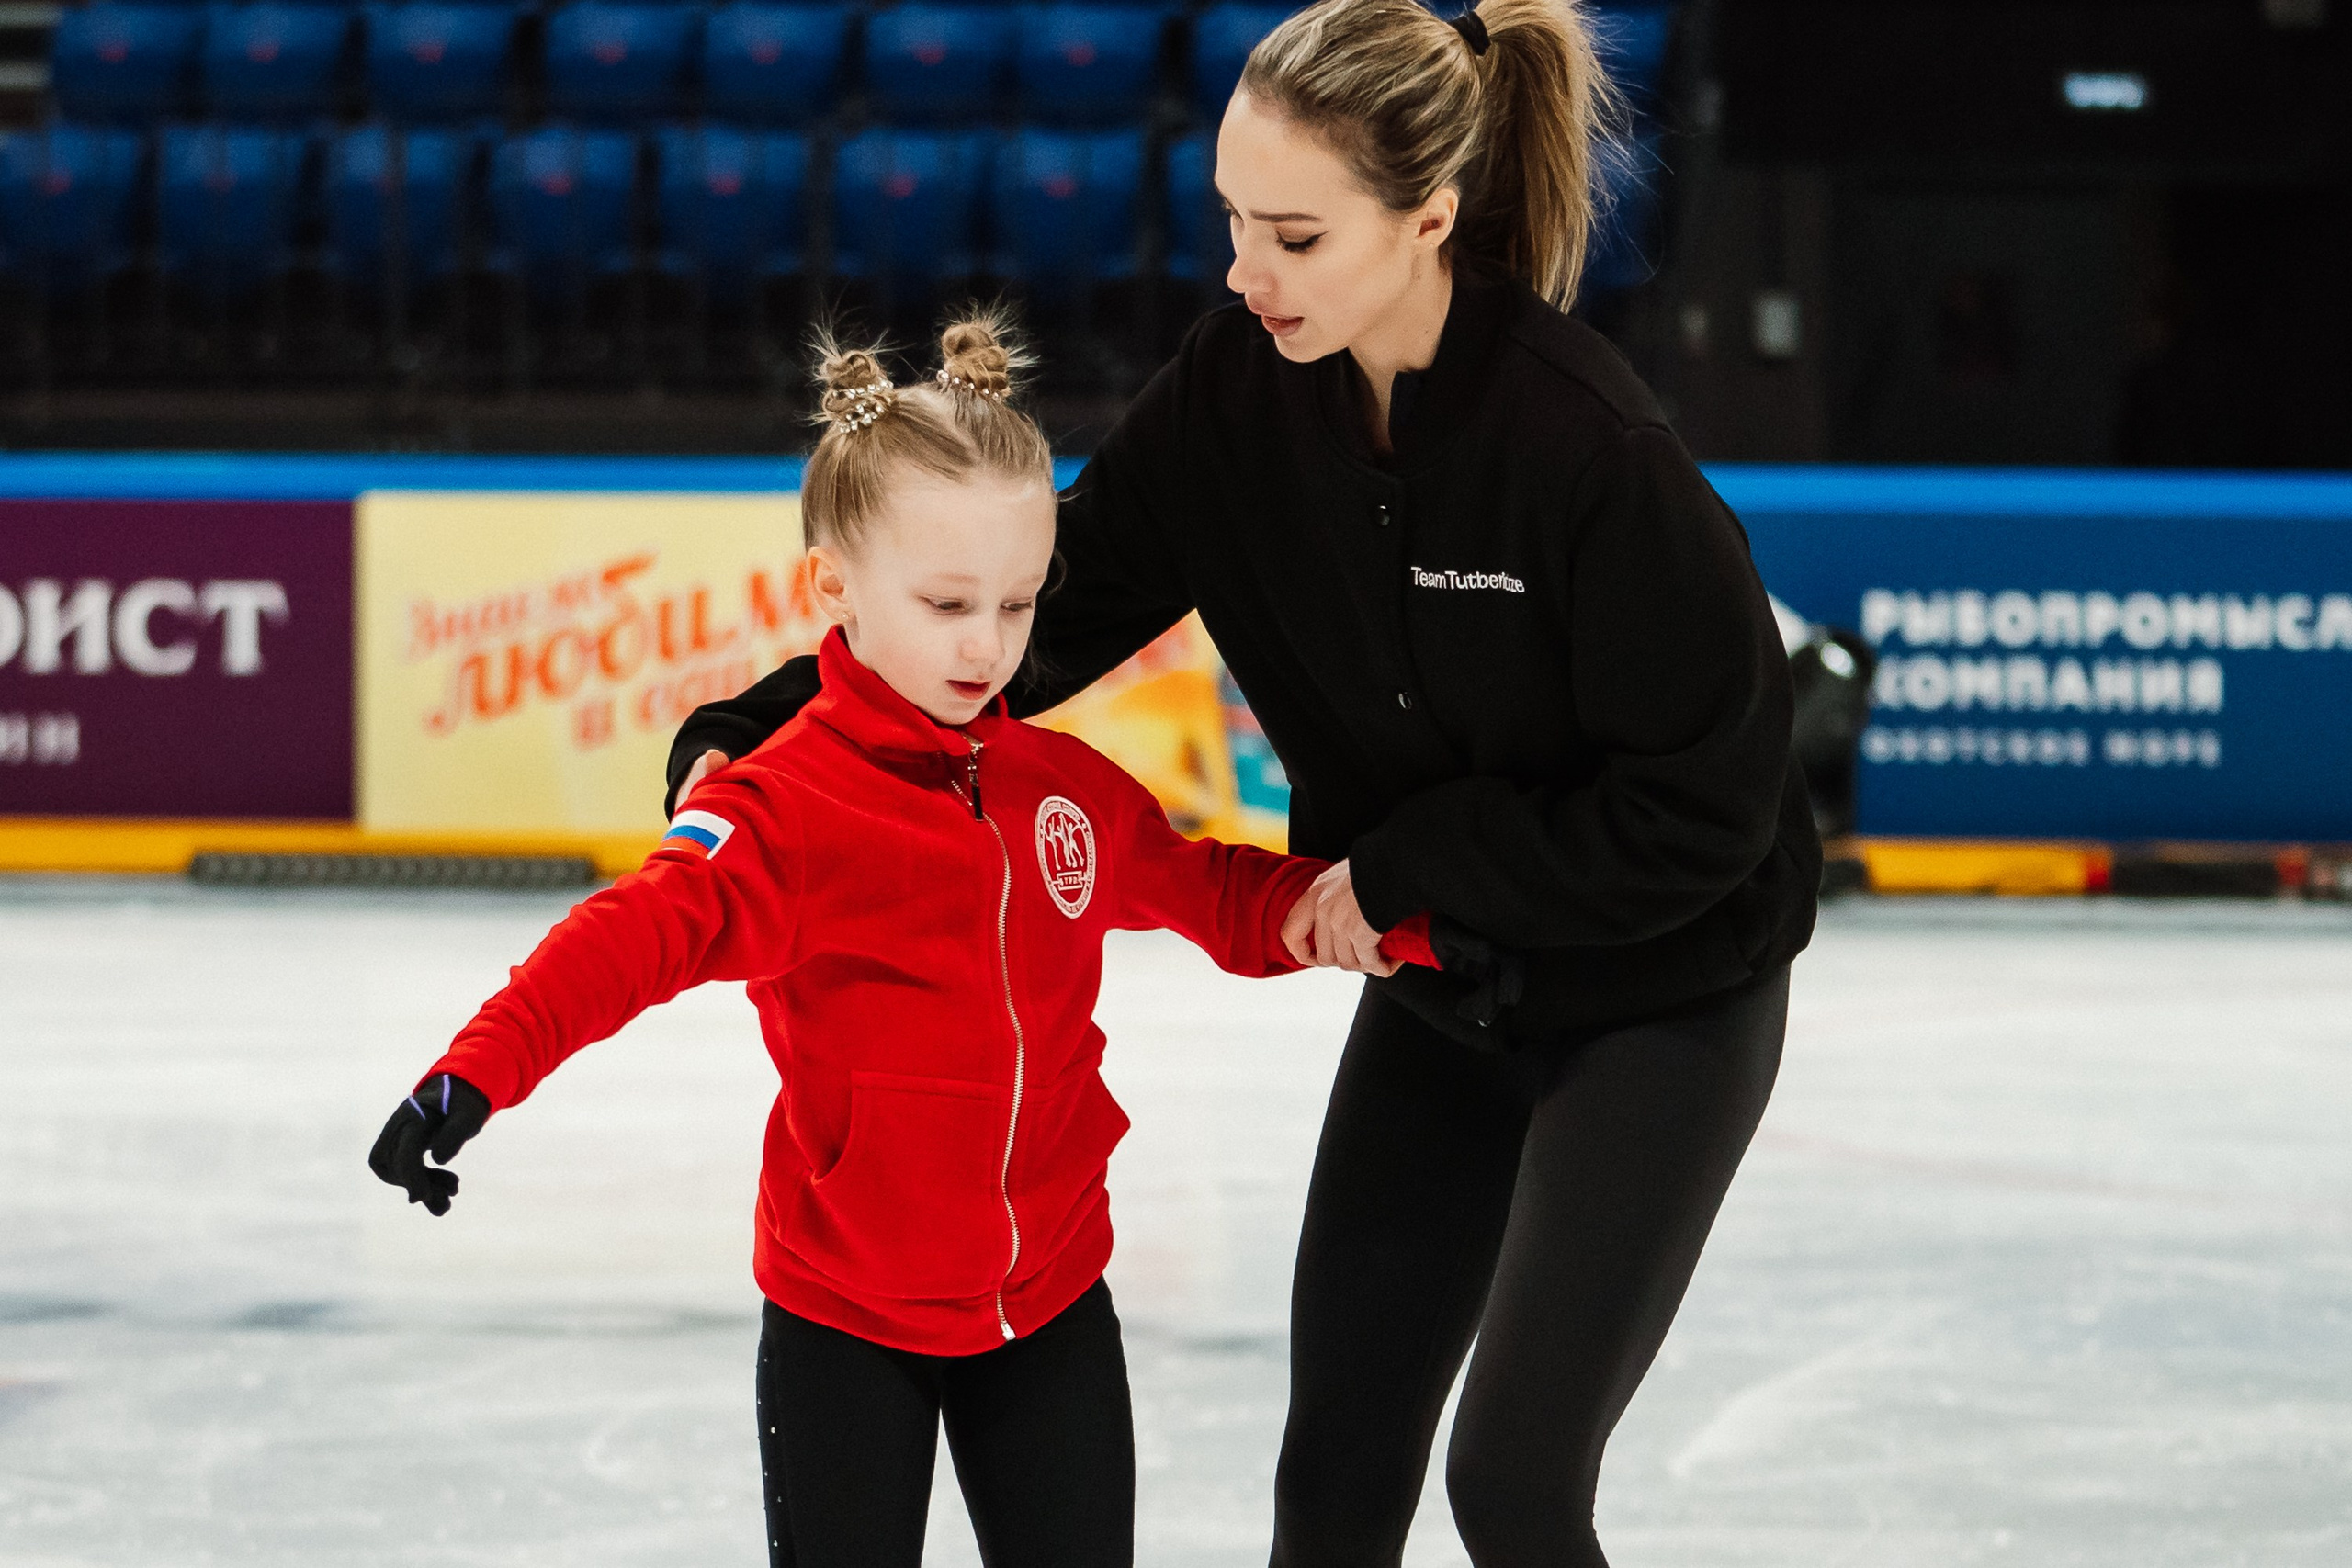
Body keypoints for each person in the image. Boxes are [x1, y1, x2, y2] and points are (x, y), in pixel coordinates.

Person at [663, 0, 1821, 1562]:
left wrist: (1421, 867)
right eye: (1230, 223)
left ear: (1428, 219)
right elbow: (1051, 605)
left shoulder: (1590, 453)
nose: (1242, 274)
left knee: (1515, 1480)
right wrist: (772, 713)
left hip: (1666, 988)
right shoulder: (1237, 395)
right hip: (1448, 985)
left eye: (1290, 234)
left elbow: (1708, 815)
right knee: (1335, 1476)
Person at [365, 315, 1438, 1568]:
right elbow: (626, 941)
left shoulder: (1060, 788)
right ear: (833, 586)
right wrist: (473, 1073)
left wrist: (1403, 919)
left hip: (1051, 1314)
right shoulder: (779, 810)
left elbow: (1217, 894)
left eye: (1019, 604)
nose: (988, 646)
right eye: (946, 605)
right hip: (844, 1328)